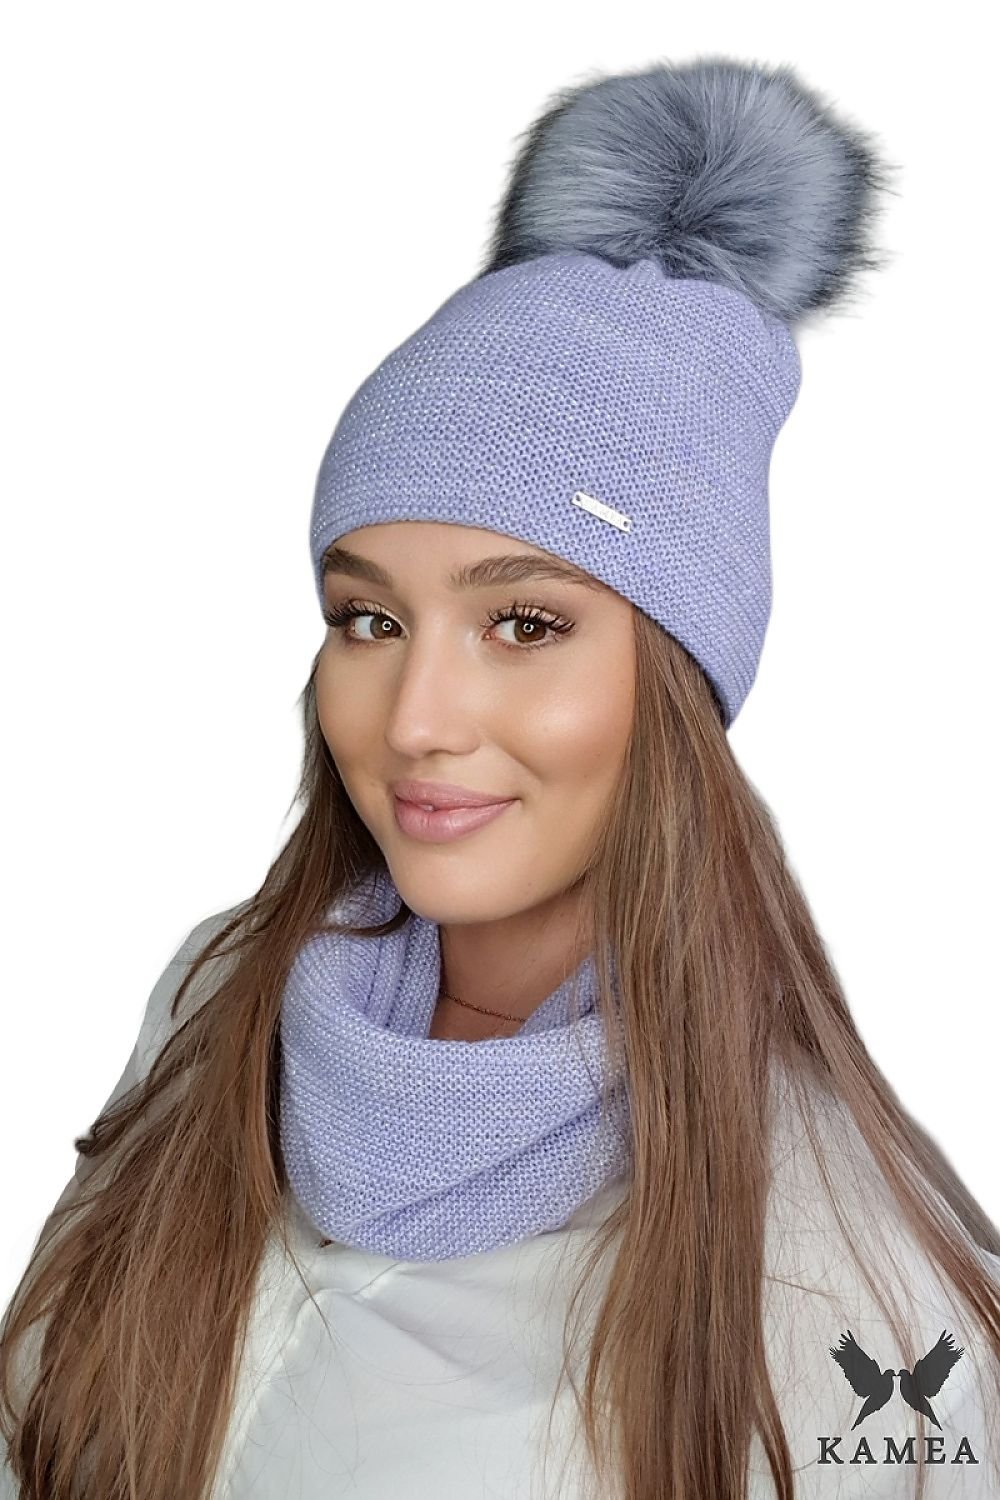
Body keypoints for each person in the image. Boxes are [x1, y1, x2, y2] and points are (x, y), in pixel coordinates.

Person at [2, 52, 998, 1500]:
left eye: (524, 624)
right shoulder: (222, 1004)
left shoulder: (849, 1293)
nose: (414, 719)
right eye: (369, 619)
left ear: (680, 683)